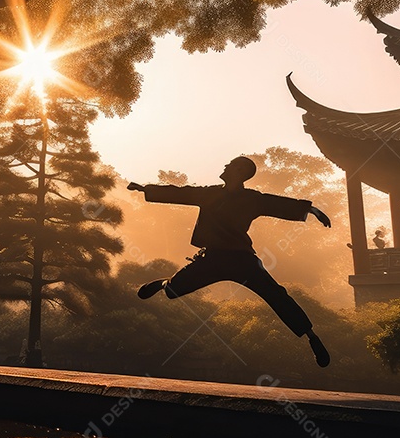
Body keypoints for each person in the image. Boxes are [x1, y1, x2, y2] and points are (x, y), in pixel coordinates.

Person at [128, 156, 332, 367]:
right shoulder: (210, 194)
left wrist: (312, 210)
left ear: (241, 172)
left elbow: (278, 204)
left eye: (231, 164)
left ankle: (312, 337)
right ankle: (163, 283)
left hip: (242, 260)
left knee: (276, 295)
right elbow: (181, 193)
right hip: (212, 258)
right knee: (172, 291)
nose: (225, 166)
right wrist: (146, 189)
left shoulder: (253, 199)